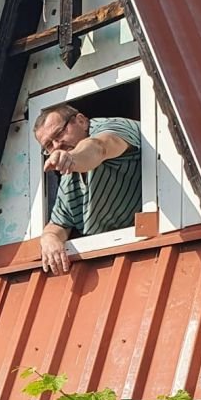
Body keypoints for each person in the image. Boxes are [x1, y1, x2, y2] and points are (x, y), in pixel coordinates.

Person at [34, 103, 142, 274]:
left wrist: (71, 157)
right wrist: (49, 238)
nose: (56, 146)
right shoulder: (68, 178)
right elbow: (58, 224)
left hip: (147, 245)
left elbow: (99, 148)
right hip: (107, 263)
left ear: (81, 121)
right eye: (48, 145)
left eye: (59, 133)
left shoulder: (112, 128)